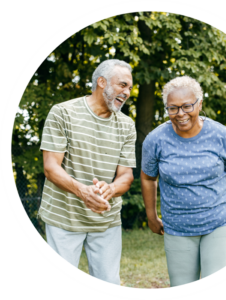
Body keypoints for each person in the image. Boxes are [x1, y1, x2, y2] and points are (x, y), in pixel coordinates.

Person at [141, 76, 226, 286]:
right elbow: (148, 178)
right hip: (177, 226)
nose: (180, 114)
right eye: (173, 108)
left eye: (187, 106)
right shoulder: (155, 140)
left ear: (200, 104)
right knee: (181, 286)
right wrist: (151, 216)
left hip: (219, 220)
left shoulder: (222, 135)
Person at [38, 59, 136, 285]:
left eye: (129, 87)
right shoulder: (63, 112)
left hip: (106, 220)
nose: (127, 92)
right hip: (64, 217)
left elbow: (126, 176)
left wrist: (110, 189)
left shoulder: (126, 125)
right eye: (122, 85)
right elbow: (51, 167)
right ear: (102, 82)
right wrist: (84, 192)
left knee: (109, 284)